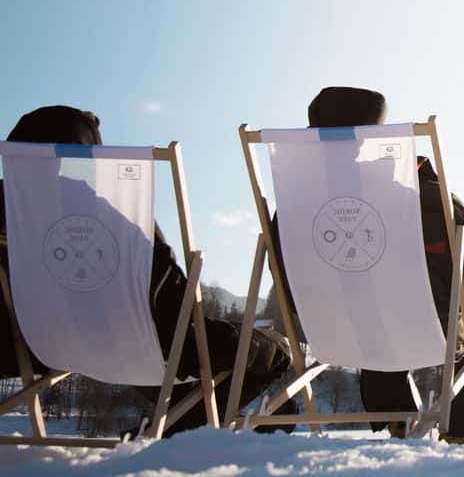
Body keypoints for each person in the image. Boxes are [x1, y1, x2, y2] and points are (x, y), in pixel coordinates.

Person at [0, 105, 294, 436]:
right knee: (273, 348)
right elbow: (175, 305)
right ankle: (167, 435)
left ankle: (195, 422)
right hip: (119, 341)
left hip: (23, 348)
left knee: (154, 357)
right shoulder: (107, 214)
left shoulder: (9, 211)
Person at [269, 87, 464, 442]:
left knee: (364, 300)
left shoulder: (291, 207)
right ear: (370, 137)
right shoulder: (412, 193)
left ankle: (395, 411)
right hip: (423, 328)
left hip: (328, 329)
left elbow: (288, 285)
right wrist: (430, 182)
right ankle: (461, 432)